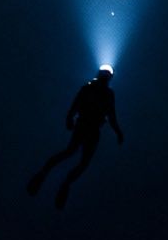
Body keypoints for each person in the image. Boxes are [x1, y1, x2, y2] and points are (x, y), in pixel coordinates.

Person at [28, 66, 123, 209]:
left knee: (72, 154)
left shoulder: (95, 90)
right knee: (79, 159)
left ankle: (47, 176)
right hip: (88, 127)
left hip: (85, 126)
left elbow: (79, 106)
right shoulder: (101, 92)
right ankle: (57, 180)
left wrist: (70, 118)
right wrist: (118, 132)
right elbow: (109, 116)